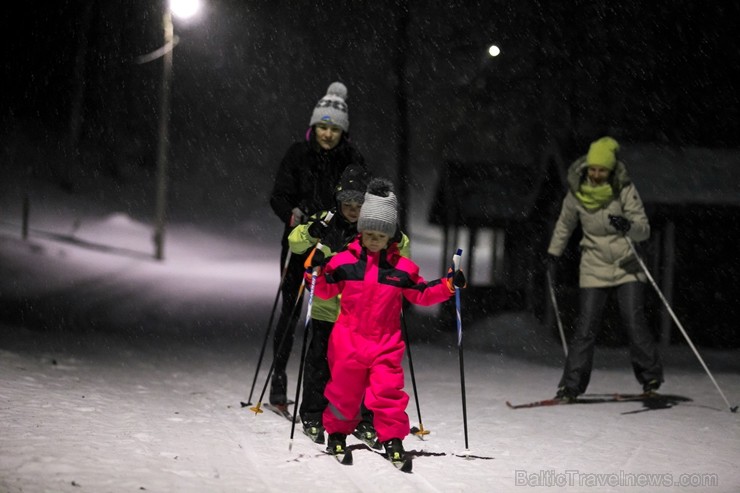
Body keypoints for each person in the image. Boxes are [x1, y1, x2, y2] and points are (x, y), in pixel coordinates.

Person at [310, 178, 466, 464]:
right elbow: (325, 289)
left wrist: (448, 286)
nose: (373, 240)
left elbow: (421, 293)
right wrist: (315, 274)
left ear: (390, 237)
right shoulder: (343, 262)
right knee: (344, 391)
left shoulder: (401, 270)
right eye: (368, 233)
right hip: (348, 341)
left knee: (387, 391)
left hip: (385, 343)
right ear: (361, 232)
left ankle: (392, 438)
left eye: (380, 235)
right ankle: (336, 434)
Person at [289, 165, 412, 447]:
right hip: (326, 310)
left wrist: (392, 240)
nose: (353, 210)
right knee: (320, 366)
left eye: (359, 204)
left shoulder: (373, 229)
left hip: (363, 317)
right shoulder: (327, 221)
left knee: (363, 373)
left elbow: (403, 256)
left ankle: (363, 420)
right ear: (339, 201)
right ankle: (312, 414)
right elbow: (295, 244)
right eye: (347, 204)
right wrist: (310, 232)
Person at [268, 82, 367, 406]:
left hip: (336, 247)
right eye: (322, 127)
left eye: (334, 128)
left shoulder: (352, 159)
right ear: (314, 126)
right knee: (291, 310)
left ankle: (323, 384)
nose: (327, 134)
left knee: (329, 316)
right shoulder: (298, 154)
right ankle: (279, 377)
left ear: (343, 132)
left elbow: (361, 199)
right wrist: (293, 213)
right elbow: (278, 195)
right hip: (299, 243)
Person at [546, 136, 663, 402]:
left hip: (626, 262)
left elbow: (643, 229)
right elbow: (565, 224)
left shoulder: (624, 189)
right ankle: (570, 386)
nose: (596, 174)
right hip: (594, 263)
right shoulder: (576, 191)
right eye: (593, 168)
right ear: (587, 167)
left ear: (611, 171)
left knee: (633, 321)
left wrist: (626, 225)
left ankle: (651, 378)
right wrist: (553, 253)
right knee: (585, 327)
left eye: (602, 170)